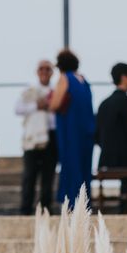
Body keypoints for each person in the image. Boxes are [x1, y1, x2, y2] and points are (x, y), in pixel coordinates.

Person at [49, 49, 96, 207]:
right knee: (84, 167)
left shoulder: (64, 79)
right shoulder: (83, 80)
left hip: (70, 130)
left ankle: (71, 202)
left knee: (70, 165)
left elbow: (55, 104)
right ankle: (84, 202)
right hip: (86, 131)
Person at [95, 62, 127, 213]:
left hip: (106, 158)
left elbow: (97, 134)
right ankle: (124, 206)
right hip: (125, 159)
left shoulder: (104, 104)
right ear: (124, 77)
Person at [15, 60, 57, 215]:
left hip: (51, 136)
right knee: (29, 175)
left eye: (48, 69)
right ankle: (26, 209)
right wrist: (36, 106)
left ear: (52, 72)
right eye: (41, 69)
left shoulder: (56, 91)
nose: (44, 72)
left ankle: (46, 209)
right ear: (37, 71)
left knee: (48, 175)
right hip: (33, 138)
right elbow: (17, 109)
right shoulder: (30, 90)